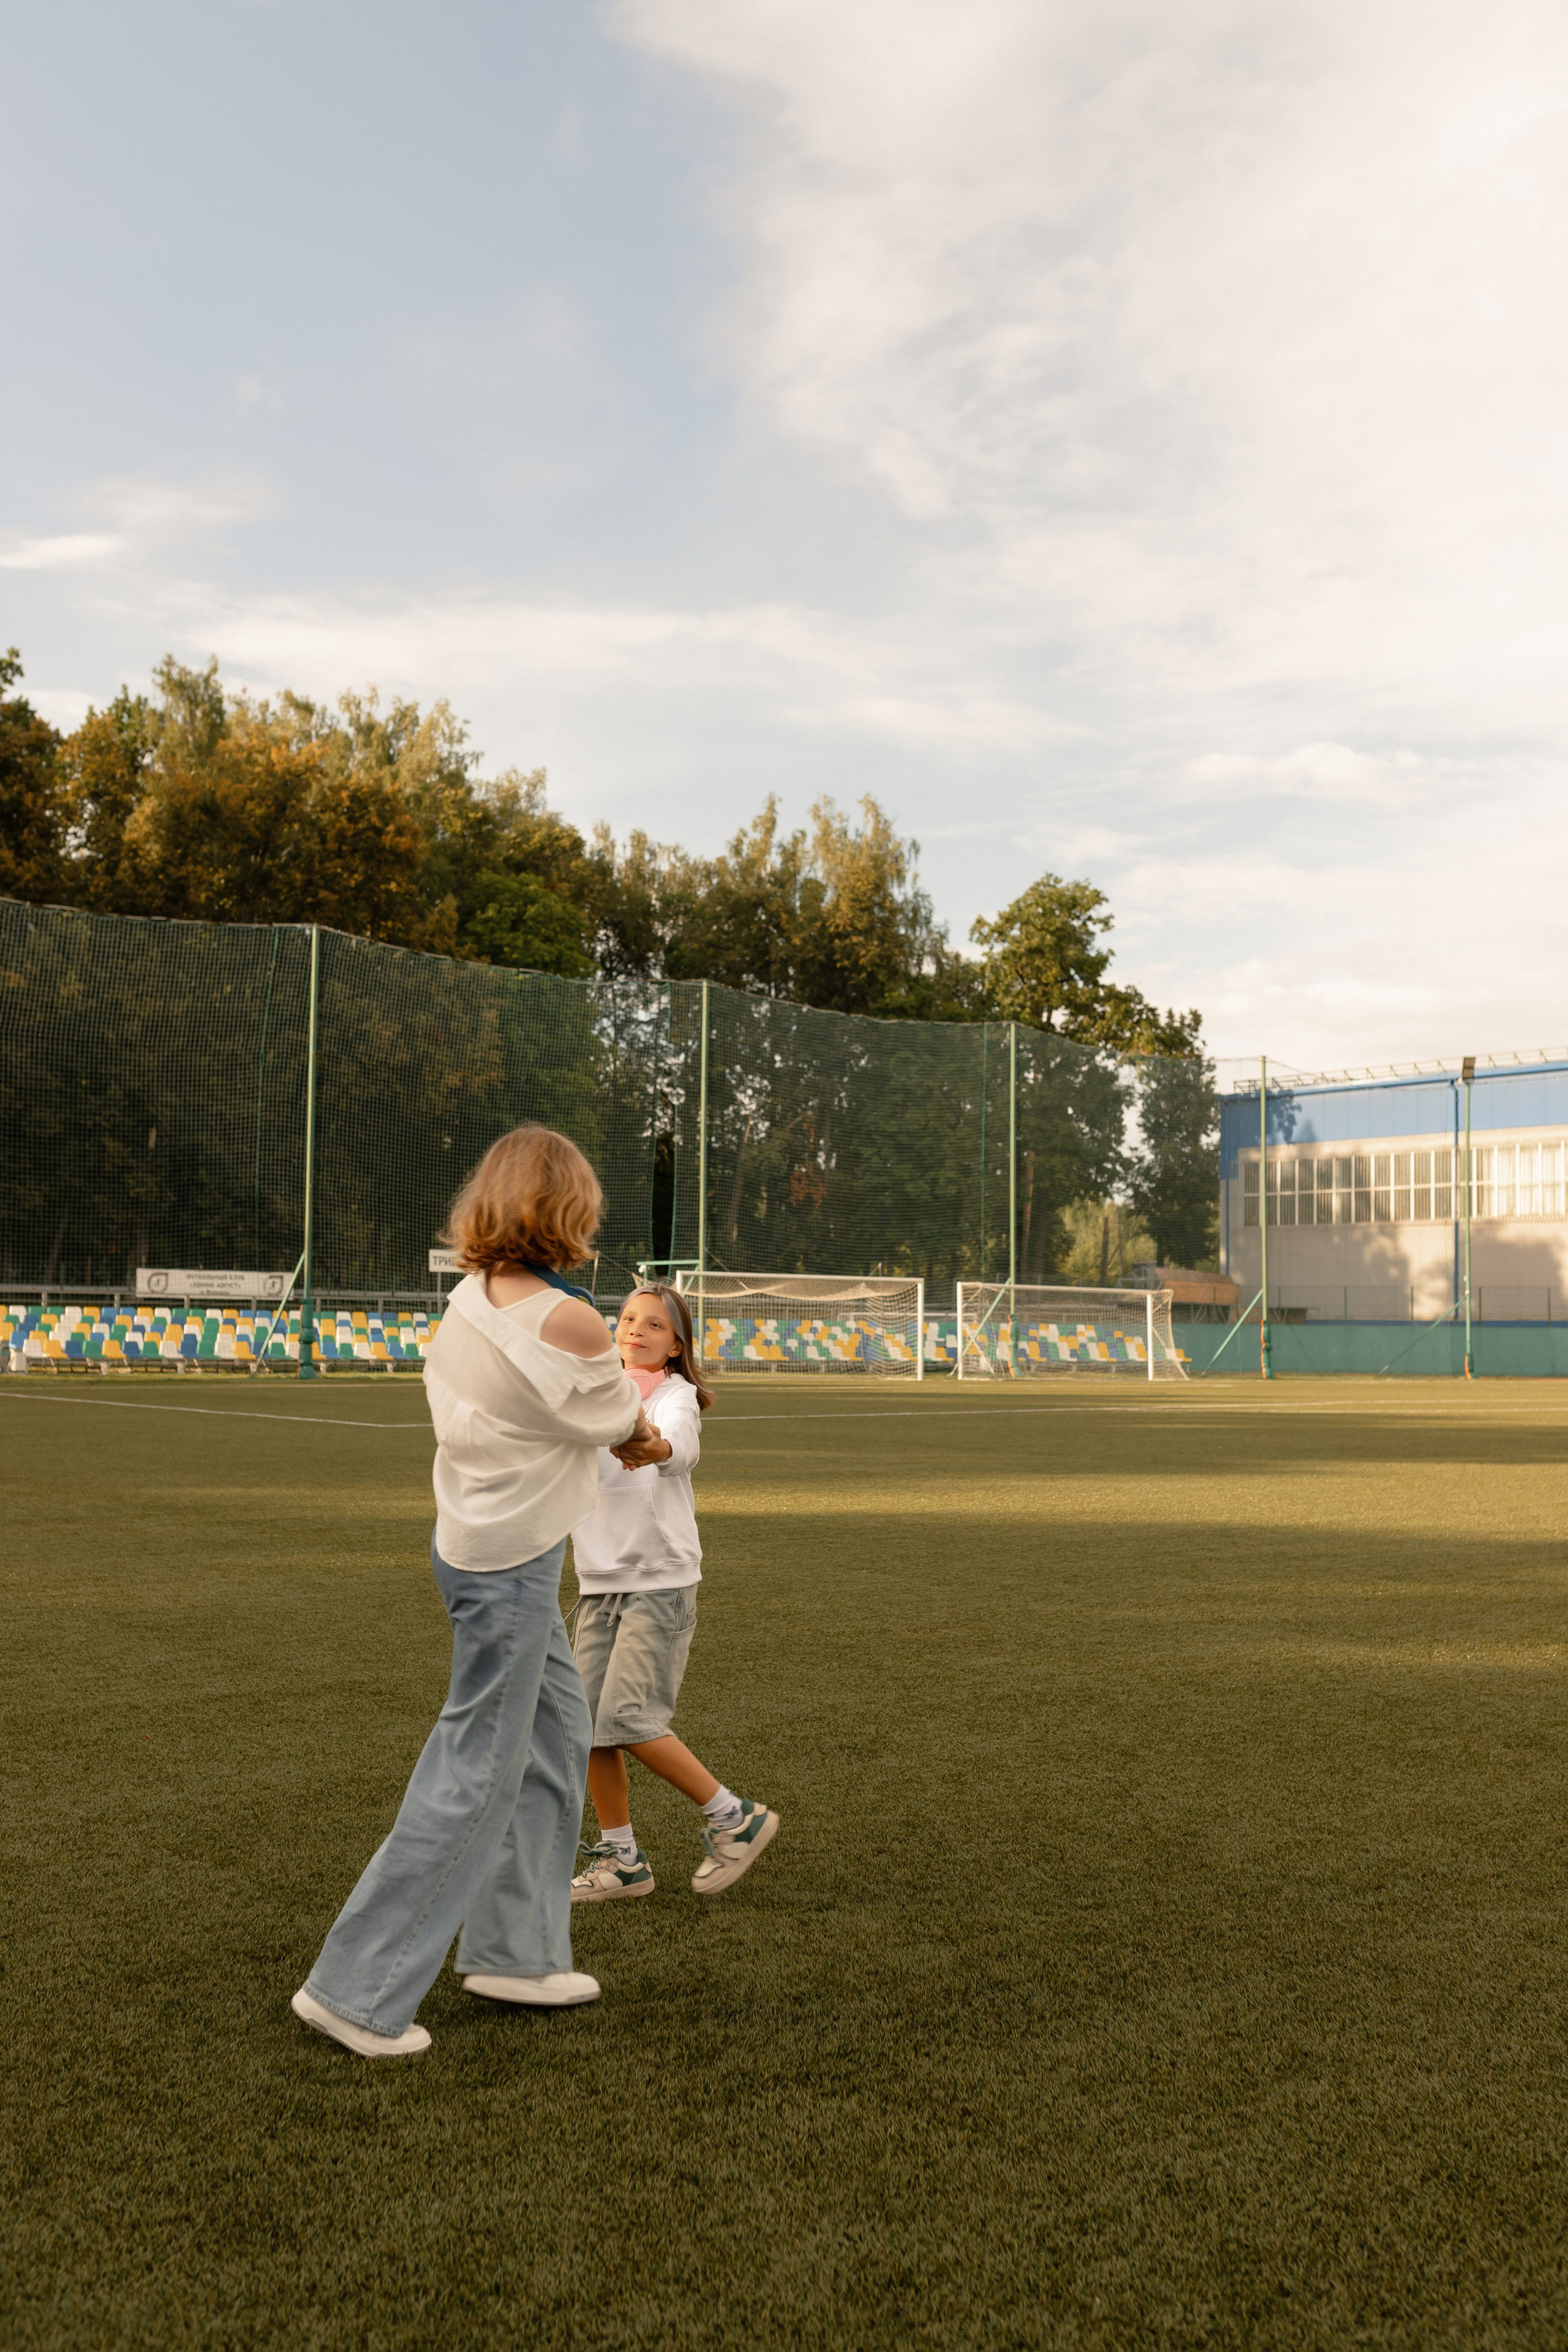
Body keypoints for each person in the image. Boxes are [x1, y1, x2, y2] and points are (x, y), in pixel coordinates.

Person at [290, 1125, 666, 2059]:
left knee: (552, 1738)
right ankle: (357, 1988)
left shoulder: (466, 1298)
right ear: (572, 1212)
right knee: (476, 1769)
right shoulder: (572, 1319)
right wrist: (648, 1433)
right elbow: (622, 1418)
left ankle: (518, 1952)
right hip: (511, 1565)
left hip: (475, 1548)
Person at [568, 1281, 779, 1903]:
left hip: (658, 1583)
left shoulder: (674, 1396)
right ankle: (623, 1861)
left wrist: (652, 1445)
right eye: (629, 1318)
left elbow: (677, 1446)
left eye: (654, 1325)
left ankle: (733, 1816)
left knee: (628, 1718)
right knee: (585, 1727)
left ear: (676, 1346)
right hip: (598, 1583)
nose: (636, 1329)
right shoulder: (592, 1394)